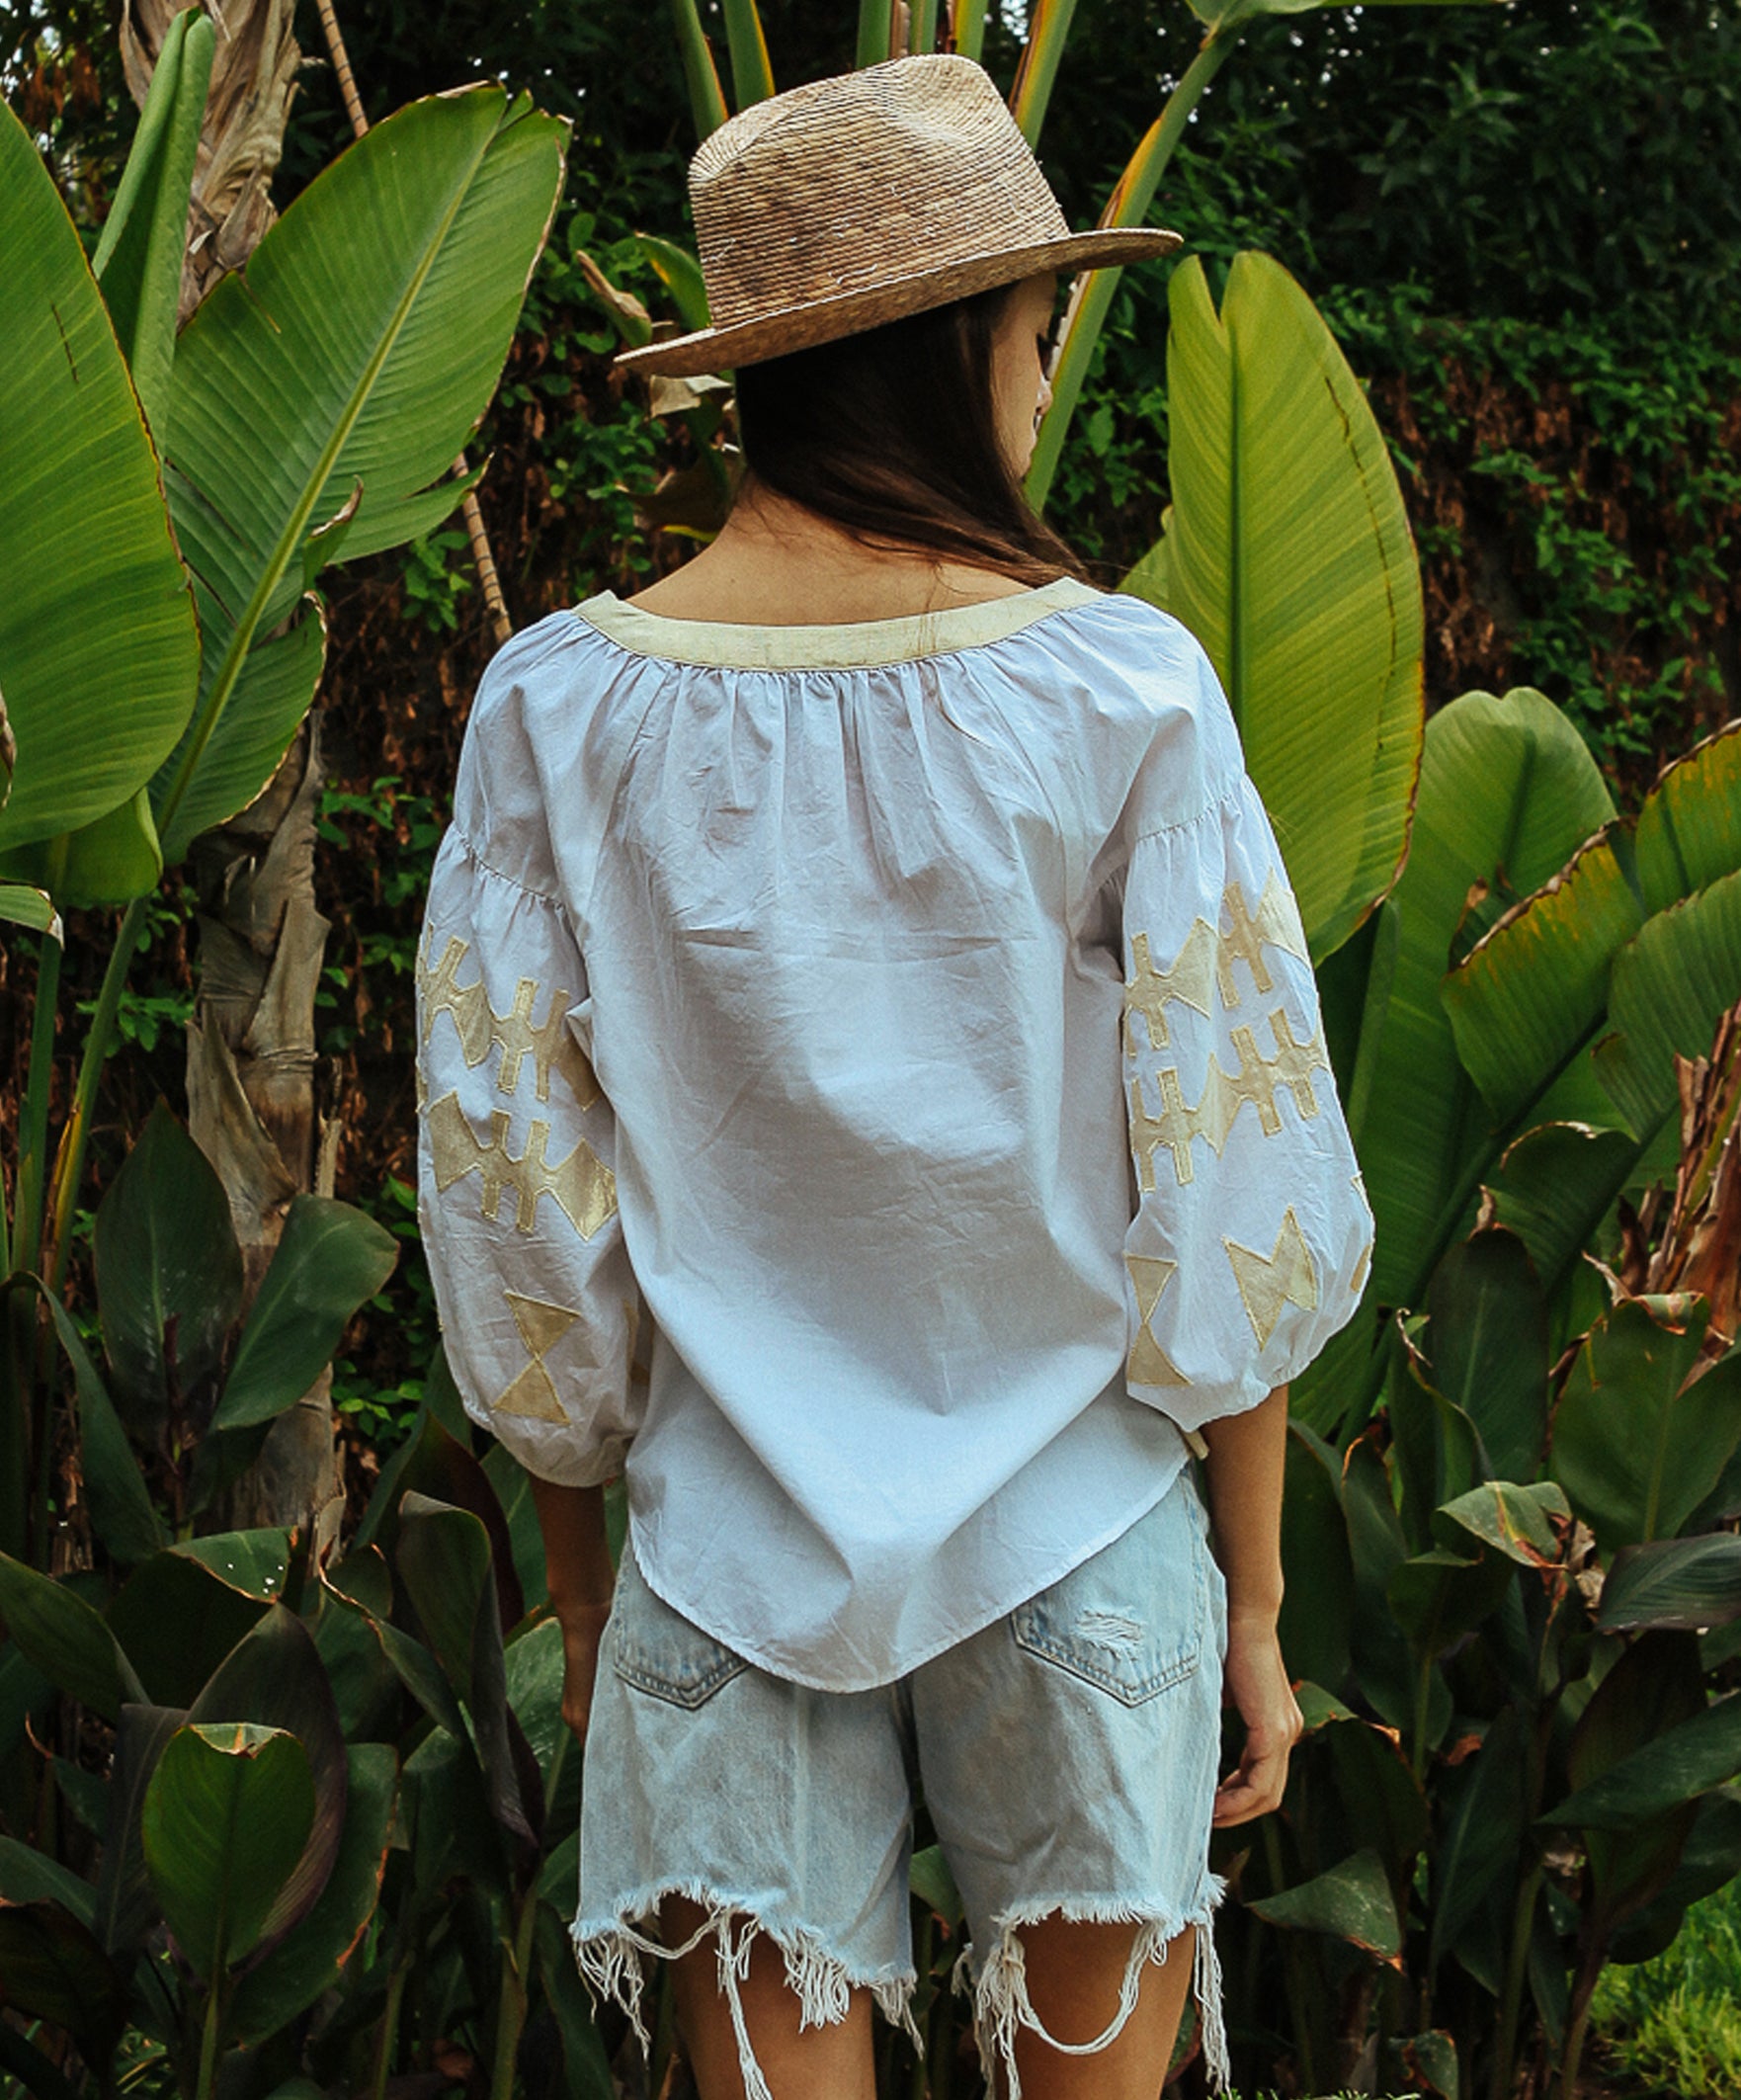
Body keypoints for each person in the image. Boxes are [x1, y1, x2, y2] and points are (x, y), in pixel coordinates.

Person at [414, 50, 1373, 2100]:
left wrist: (586, 1608)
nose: (1041, 394)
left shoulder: (553, 716)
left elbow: (522, 1217)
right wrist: (1256, 1599)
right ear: (957, 355)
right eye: (1032, 344)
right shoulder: (1121, 686)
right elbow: (1231, 1175)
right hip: (1077, 1531)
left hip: (719, 1555)